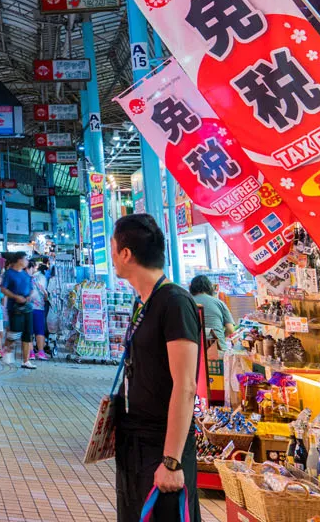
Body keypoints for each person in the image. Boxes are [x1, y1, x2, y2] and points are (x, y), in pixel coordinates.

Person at [111, 214, 201, 522]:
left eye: (113, 249)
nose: (112, 257)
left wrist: (172, 461)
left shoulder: (175, 303)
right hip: (136, 448)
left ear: (126, 253)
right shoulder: (142, 302)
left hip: (163, 449)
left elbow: (186, 385)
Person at [0, 251, 35, 369]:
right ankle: (7, 349)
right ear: (19, 260)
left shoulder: (26, 275)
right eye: (26, 259)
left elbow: (31, 288)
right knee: (14, 333)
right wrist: (15, 297)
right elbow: (3, 289)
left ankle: (26, 361)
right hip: (14, 308)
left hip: (27, 307)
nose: (27, 262)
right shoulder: (9, 273)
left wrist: (30, 295)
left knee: (27, 334)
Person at [189, 274, 234, 350]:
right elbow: (230, 329)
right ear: (210, 288)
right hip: (218, 349)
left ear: (191, 288)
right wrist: (221, 338)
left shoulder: (187, 302)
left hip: (195, 351)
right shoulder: (219, 303)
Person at [29, 257, 52, 359]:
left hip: (29, 307)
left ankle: (31, 353)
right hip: (39, 307)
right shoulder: (42, 278)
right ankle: (41, 352)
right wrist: (46, 297)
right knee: (39, 331)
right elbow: (44, 293)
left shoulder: (29, 277)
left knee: (29, 331)